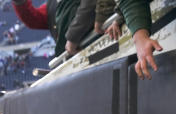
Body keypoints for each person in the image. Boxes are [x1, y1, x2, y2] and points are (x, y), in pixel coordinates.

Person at [11, 0, 162, 79]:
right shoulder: (53, 3)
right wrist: (20, 3)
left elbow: (90, 5)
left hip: (97, 54)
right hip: (77, 63)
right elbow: (35, 20)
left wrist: (72, 37)